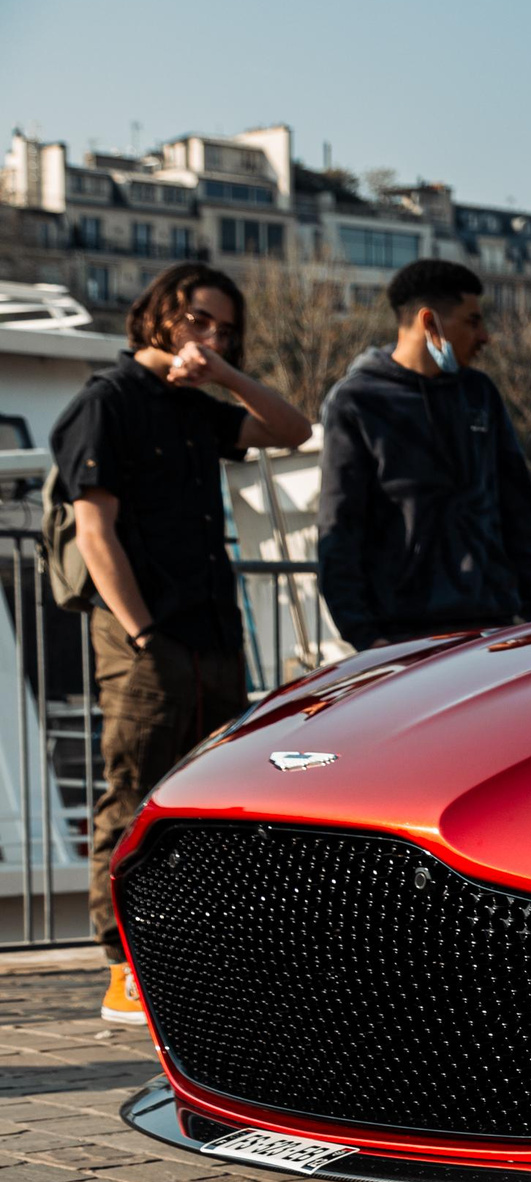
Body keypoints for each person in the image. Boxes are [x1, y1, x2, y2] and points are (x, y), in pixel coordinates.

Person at [49, 262, 312, 1022]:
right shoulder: (106, 403)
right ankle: (123, 965)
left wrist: (225, 372)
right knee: (131, 795)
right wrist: (142, 634)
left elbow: (293, 430)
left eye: (225, 329)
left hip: (214, 628)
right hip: (145, 636)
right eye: (199, 321)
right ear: (160, 315)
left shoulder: (198, 407)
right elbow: (94, 531)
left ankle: (196, 958)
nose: (211, 336)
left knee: (209, 799)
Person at [316, 259, 531, 651]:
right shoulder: (358, 401)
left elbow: (518, 510)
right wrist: (365, 636)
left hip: (495, 629)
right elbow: (338, 526)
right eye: (472, 321)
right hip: (402, 638)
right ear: (430, 322)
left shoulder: (480, 393)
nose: (485, 336)